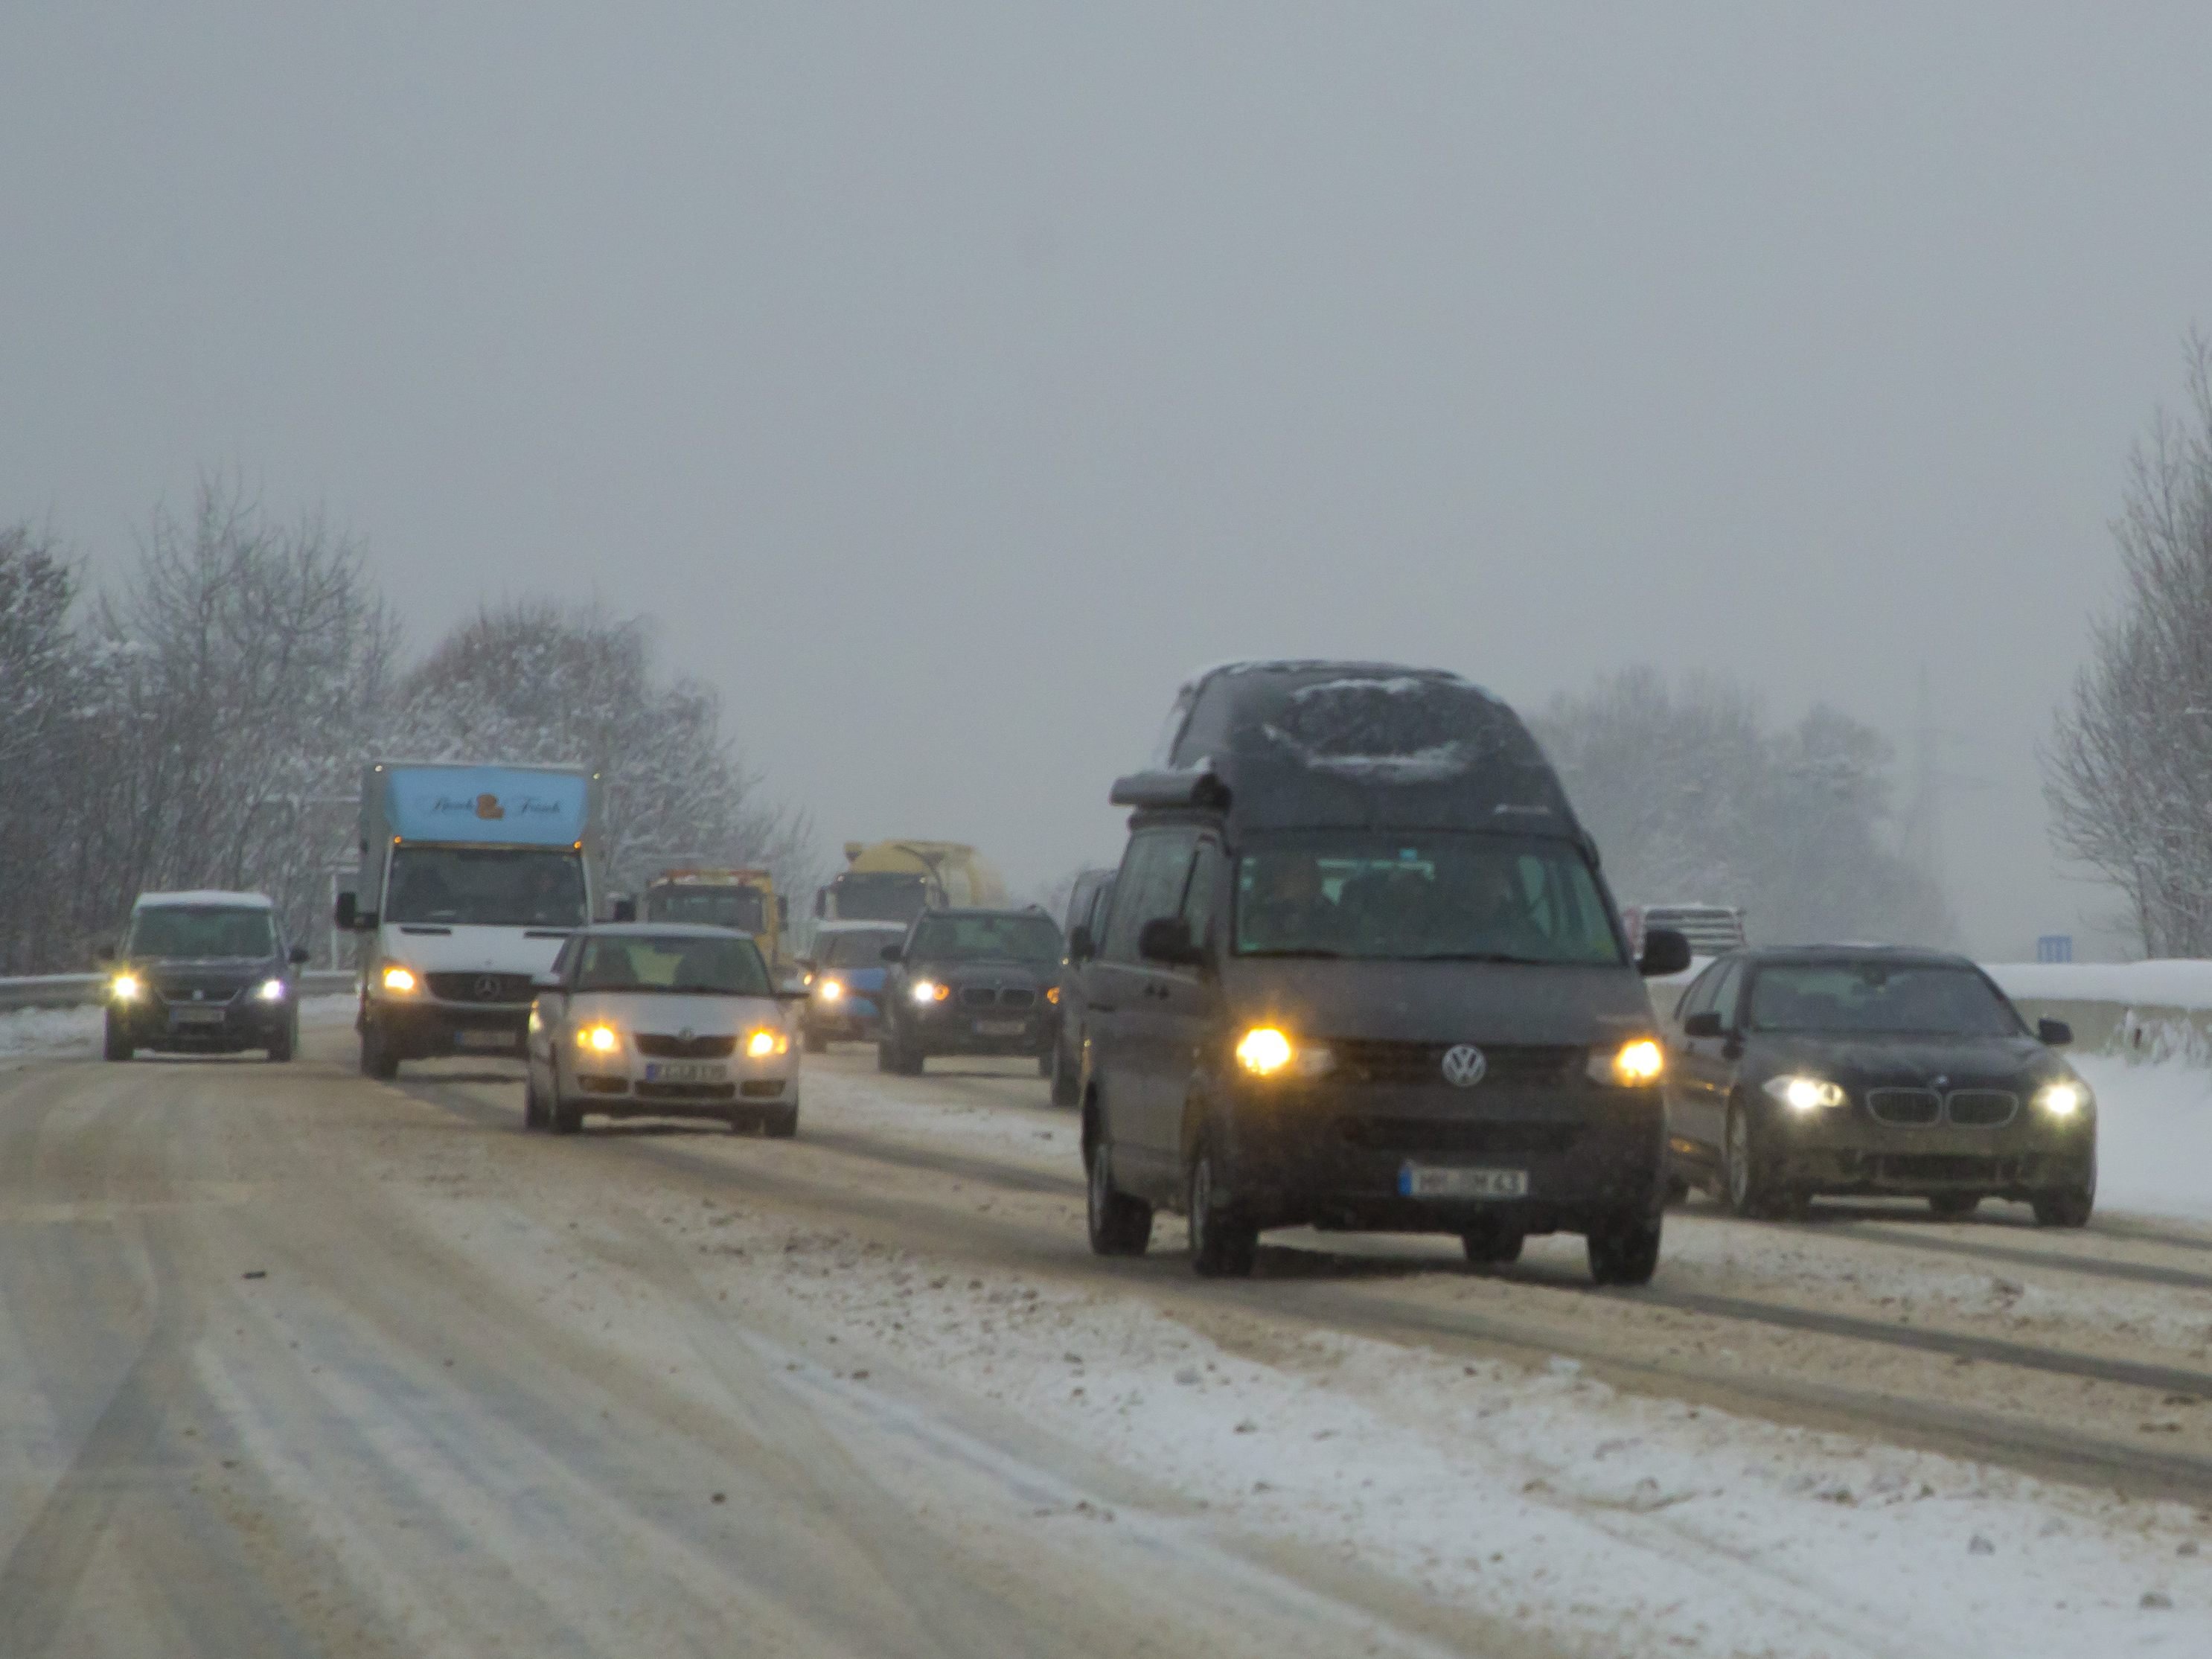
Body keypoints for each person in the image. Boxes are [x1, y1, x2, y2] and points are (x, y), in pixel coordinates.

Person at [1240, 854, 1340, 951]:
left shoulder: (1328, 910)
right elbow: (1253, 937)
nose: (1307, 880)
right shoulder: (1264, 907)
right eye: (1299, 874)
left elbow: (1336, 944)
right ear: (1281, 879)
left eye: (1312, 874)